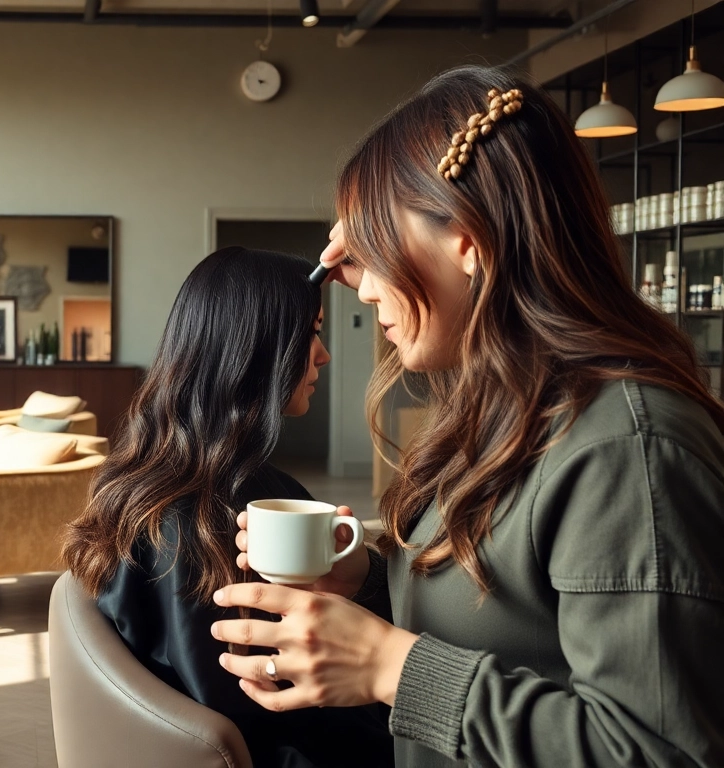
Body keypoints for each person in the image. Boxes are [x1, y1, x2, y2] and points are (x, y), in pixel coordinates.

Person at [210, 66, 724, 767]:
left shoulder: (628, 449)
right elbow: (507, 620)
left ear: (467, 240)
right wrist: (364, 578)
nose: (361, 292)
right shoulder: (506, 413)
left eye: (378, 246)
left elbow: (657, 750)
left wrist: (391, 667)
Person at [63, 246, 394, 767]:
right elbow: (242, 720)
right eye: (312, 333)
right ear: (257, 348)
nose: (323, 354)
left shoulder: (158, 489)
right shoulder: (194, 521)